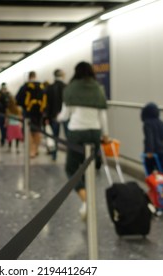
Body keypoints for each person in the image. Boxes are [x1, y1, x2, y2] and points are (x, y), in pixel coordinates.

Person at [58, 61, 109, 220]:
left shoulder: (71, 89)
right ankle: (88, 201)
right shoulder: (98, 89)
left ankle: (86, 200)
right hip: (94, 133)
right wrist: (105, 134)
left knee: (71, 169)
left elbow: (64, 115)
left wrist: (57, 118)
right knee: (89, 168)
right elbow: (102, 115)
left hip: (76, 133)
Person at [16, 71, 47, 158]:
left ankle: (31, 151)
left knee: (28, 131)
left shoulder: (25, 86)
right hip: (39, 113)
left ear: (29, 77)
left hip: (28, 112)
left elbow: (18, 100)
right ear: (35, 76)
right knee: (37, 131)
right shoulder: (41, 86)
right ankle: (36, 149)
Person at [141, 102, 163, 174]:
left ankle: (154, 185)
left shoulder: (147, 123)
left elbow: (150, 138)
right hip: (161, 151)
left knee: (151, 173)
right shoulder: (162, 122)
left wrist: (150, 151)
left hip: (151, 153)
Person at [45, 69, 66, 161]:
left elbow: (47, 104)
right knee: (68, 136)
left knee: (54, 136)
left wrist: (46, 116)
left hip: (53, 116)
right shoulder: (66, 86)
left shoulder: (49, 87)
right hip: (65, 115)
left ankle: (54, 154)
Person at [0, 82, 11, 147]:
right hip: (1, 114)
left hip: (7, 114)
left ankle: (7, 140)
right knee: (2, 128)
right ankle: (2, 140)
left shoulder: (8, 94)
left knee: (7, 128)